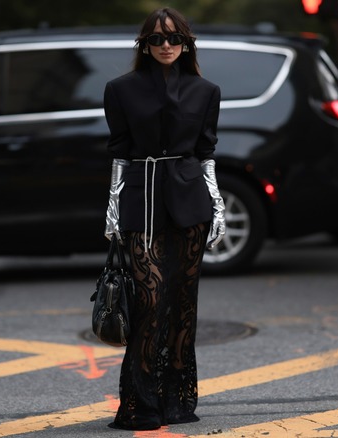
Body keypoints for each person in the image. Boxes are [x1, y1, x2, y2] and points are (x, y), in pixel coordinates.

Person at [102, 7, 226, 431]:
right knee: (150, 300)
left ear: (186, 42)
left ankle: (177, 399)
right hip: (142, 197)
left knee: (183, 304)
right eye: (156, 39)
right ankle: (140, 402)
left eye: (174, 38)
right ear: (145, 45)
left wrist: (219, 205)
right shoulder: (120, 90)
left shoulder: (206, 91)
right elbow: (119, 152)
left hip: (190, 201)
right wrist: (113, 208)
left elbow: (206, 153)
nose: (166, 45)